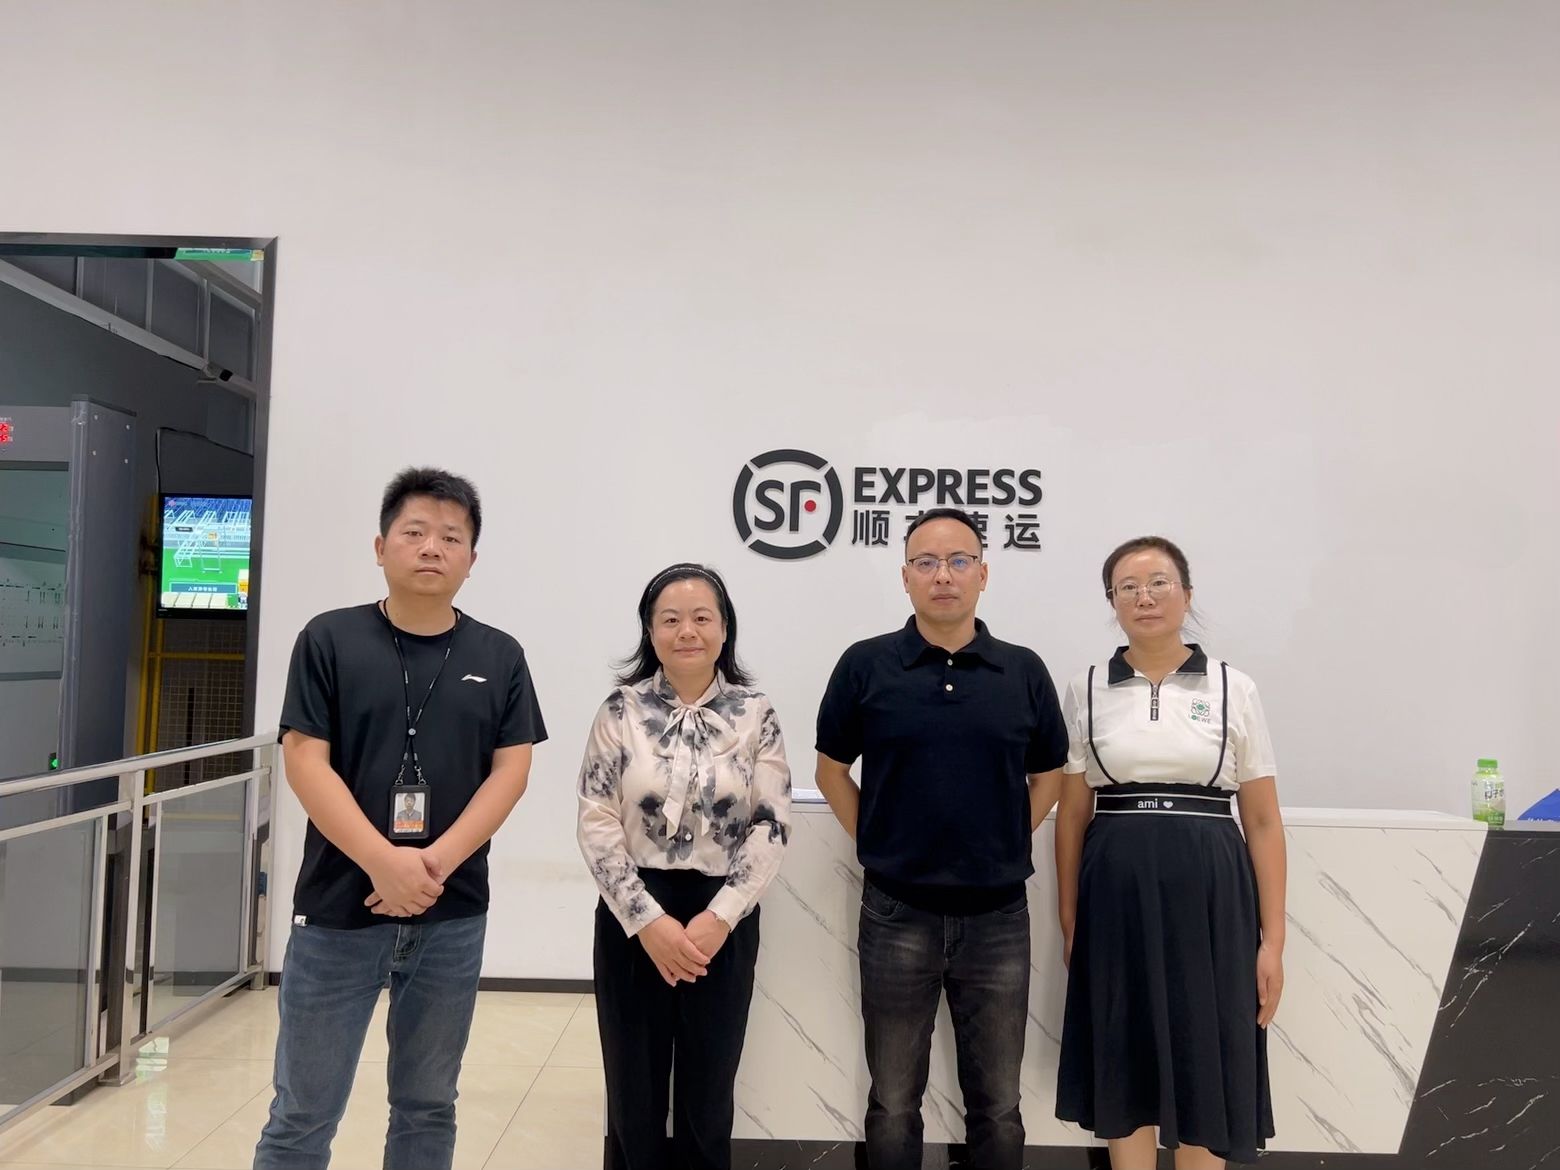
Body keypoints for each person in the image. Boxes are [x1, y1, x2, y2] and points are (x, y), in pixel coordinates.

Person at [254, 467, 546, 1170]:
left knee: (428, 1105)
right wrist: (383, 863)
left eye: (451, 537)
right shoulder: (328, 639)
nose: (432, 547)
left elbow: (511, 773)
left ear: (471, 560)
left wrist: (430, 866)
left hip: (451, 913)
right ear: (381, 546)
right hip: (338, 909)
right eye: (414, 532)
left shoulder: (499, 655)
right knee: (302, 1113)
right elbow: (305, 761)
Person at [814, 507, 1068, 1170]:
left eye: (959, 561)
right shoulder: (866, 665)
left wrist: (1008, 834)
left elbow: (1050, 774)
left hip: (998, 917)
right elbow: (831, 771)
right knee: (894, 1101)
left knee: (999, 1104)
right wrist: (877, 839)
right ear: (905, 577)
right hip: (896, 911)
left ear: (984, 573)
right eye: (926, 563)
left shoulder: (1023, 671)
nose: (943, 576)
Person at [1054, 536, 1286, 1169]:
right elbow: (1072, 815)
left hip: (1211, 893)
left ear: (1186, 593)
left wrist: (1273, 940)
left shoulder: (1235, 688)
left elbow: (1262, 820)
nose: (1145, 597)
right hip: (1115, 892)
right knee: (1122, 1041)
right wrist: (1069, 918)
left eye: (1159, 582)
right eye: (1128, 587)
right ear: (1112, 601)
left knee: (1206, 1044)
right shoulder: (1086, 688)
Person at [577, 562, 791, 1170]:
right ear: (650, 631)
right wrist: (647, 920)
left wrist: (722, 916)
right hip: (633, 915)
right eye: (670, 619)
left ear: (725, 630)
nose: (687, 631)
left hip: (723, 917)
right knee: (633, 1091)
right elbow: (596, 819)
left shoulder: (755, 712)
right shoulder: (619, 710)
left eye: (702, 618)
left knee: (708, 1093)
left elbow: (771, 823)